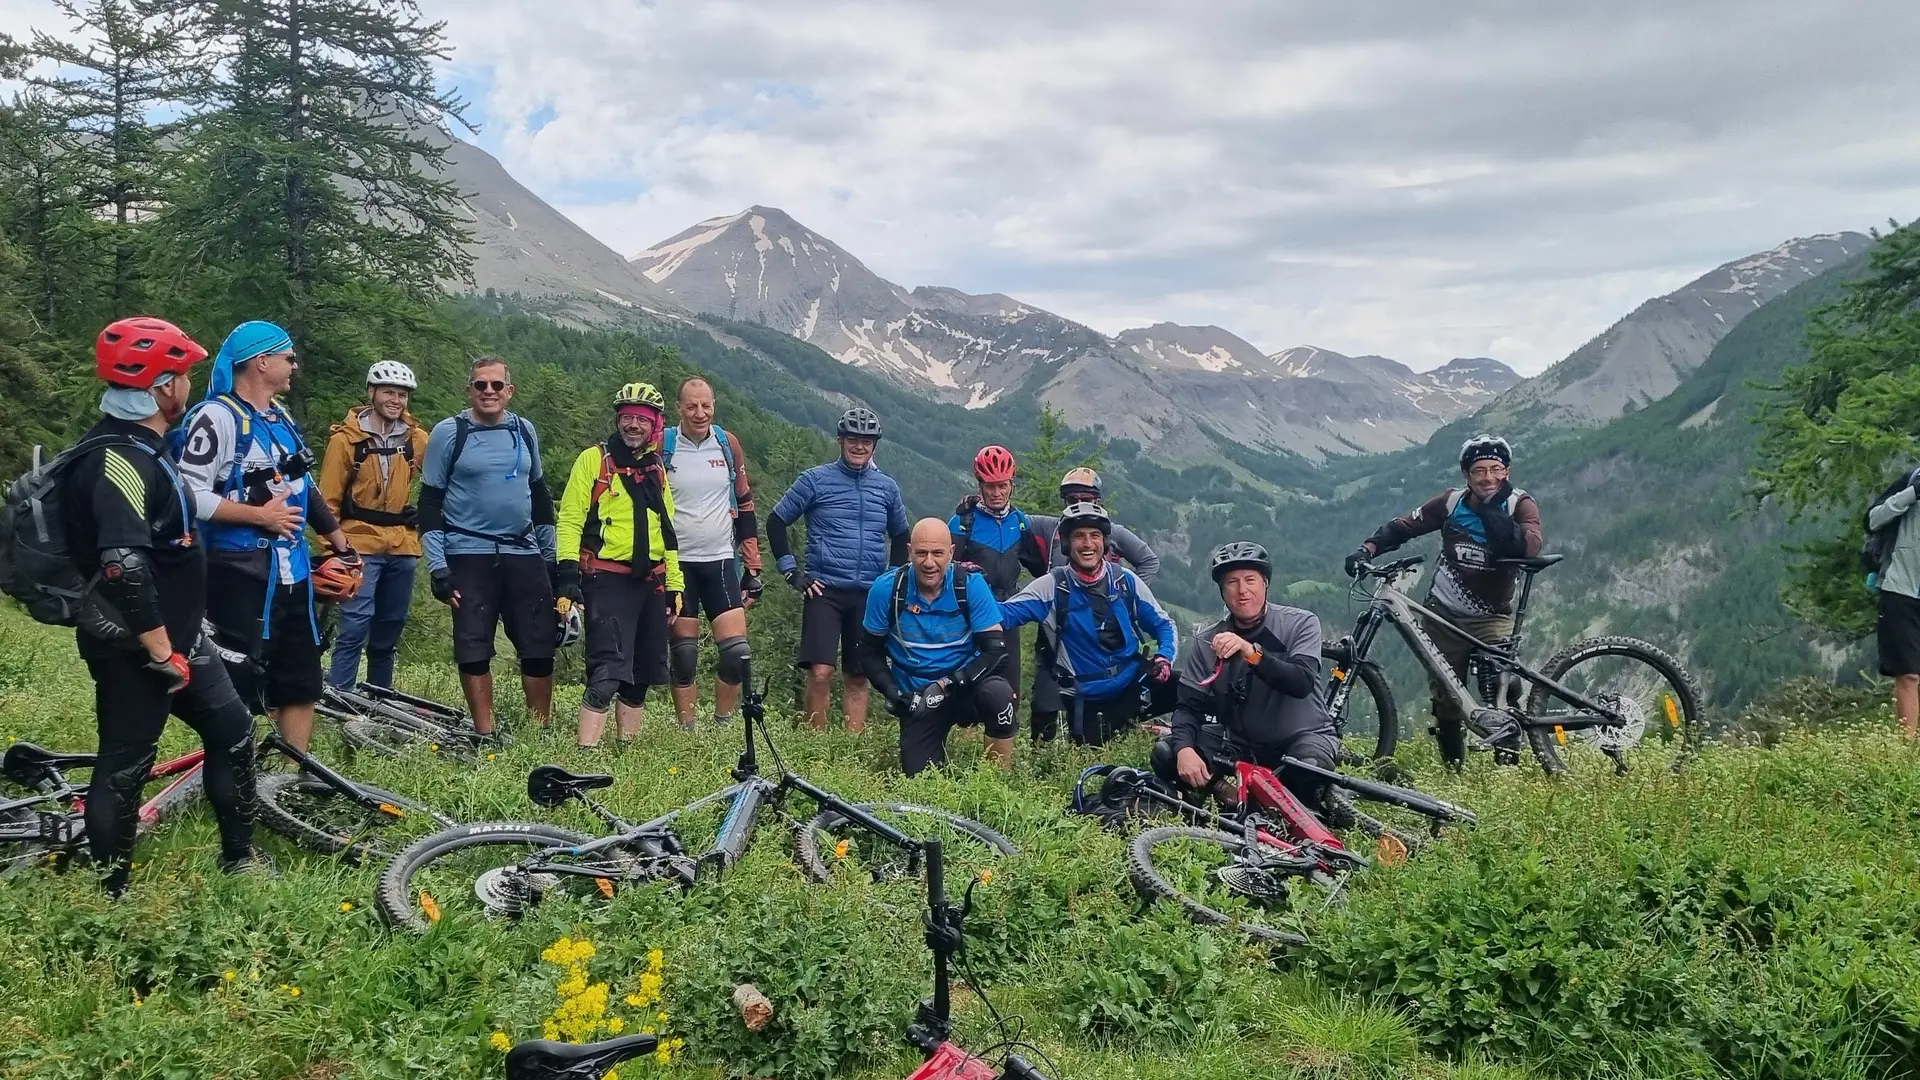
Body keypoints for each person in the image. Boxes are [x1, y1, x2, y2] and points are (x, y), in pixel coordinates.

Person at [64, 317, 268, 895]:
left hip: (178, 640)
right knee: (125, 764)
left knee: (232, 730)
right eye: (181, 376)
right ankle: (111, 895)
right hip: (137, 646)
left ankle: (239, 859)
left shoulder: (145, 450)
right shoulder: (116, 461)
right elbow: (122, 563)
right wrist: (159, 647)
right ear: (160, 387)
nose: (188, 386)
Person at [175, 320, 353, 753]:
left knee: (300, 681)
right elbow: (185, 493)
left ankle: (293, 780)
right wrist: (258, 517)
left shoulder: (279, 418)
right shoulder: (216, 418)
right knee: (236, 682)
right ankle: (231, 773)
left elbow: (303, 489)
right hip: (237, 575)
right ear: (261, 361)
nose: (295, 365)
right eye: (288, 358)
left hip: (292, 577)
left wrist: (340, 542)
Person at [1343, 433, 1543, 768]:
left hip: (1492, 616)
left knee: (1502, 689)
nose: (1488, 477)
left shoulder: (1519, 504)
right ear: (1467, 475)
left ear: (1507, 471)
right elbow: (1403, 526)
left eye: (1495, 469)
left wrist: (1493, 511)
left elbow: (1529, 547)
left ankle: (1508, 770)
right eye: (1479, 470)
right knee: (1446, 698)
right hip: (1442, 615)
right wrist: (1368, 549)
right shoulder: (1451, 504)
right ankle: (1454, 769)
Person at [418, 357, 559, 737]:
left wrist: (552, 561)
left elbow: (540, 496)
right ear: (470, 391)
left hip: (523, 550)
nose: (489, 392)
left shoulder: (524, 431)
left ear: (509, 391)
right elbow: (430, 503)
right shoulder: (450, 433)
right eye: (481, 385)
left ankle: (538, 730)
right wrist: (437, 566)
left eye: (497, 385)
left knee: (538, 642)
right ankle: (485, 732)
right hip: (468, 551)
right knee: (473, 644)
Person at [1151, 542, 1341, 809]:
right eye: (1232, 582)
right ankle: (1229, 794)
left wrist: (1250, 653)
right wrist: (1185, 750)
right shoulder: (1208, 641)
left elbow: (1301, 682)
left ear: (1265, 584)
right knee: (1167, 753)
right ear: (1222, 592)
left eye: (1250, 580)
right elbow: (1188, 706)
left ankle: (1276, 803)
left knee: (1307, 771)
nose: (1242, 591)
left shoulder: (1301, 623)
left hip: (1303, 736)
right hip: (1241, 743)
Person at [555, 382, 684, 747]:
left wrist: (676, 585)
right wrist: (566, 577)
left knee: (640, 673)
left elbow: (668, 530)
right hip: (606, 578)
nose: (632, 425)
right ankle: (586, 752)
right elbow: (569, 520)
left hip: (651, 582)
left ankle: (627, 751)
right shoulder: (595, 461)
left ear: (655, 424)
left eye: (641, 420)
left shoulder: (656, 468)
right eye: (626, 418)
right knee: (607, 670)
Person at [767, 406, 910, 732]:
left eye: (866, 441)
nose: (859, 447)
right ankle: (814, 745)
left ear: (874, 445)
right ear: (840, 441)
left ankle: (851, 747)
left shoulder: (886, 487)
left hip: (868, 595)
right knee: (820, 672)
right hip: (825, 590)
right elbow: (776, 520)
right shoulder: (815, 480)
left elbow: (902, 534)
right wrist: (791, 572)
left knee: (858, 676)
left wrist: (891, 579)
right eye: (852, 440)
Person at [998, 502, 1178, 746]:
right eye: (1079, 536)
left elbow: (1164, 625)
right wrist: (969, 586)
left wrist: (1164, 657)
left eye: (1095, 536)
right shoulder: (1052, 586)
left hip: (1135, 686)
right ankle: (1145, 733)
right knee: (1100, 761)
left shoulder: (1125, 581)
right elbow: (1003, 616)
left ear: (1104, 542)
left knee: (1192, 689)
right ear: (1067, 543)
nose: (1087, 544)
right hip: (1090, 700)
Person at [858, 518, 1014, 775]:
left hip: (965, 684)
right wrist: (892, 691)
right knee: (920, 780)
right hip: (918, 697)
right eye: (921, 553)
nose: (929, 562)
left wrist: (947, 684)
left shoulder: (970, 585)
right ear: (909, 551)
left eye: (938, 553)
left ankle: (997, 783)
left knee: (998, 695)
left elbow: (996, 651)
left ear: (951, 553)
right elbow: (868, 650)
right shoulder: (887, 590)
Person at [1024, 466, 1160, 742]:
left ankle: (1106, 741)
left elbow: (1149, 560)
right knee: (1045, 701)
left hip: (1097, 626)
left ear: (1097, 500)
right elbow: (1012, 518)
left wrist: (1125, 594)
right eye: (1071, 499)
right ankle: (1043, 757)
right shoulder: (1051, 527)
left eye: (1086, 498)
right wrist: (977, 505)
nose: (1078, 504)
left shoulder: (1112, 533)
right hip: (1058, 625)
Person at [318, 360, 429, 690]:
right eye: (389, 392)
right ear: (372, 393)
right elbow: (328, 501)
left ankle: (379, 698)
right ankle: (341, 694)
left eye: (402, 394)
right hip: (357, 543)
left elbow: (443, 480)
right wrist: (331, 553)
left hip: (402, 544)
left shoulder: (416, 438)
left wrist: (426, 512)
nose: (396, 400)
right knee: (354, 625)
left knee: (390, 627)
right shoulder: (345, 441)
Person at [664, 376, 762, 728]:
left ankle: (722, 725)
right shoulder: (665, 445)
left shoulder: (726, 444)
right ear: (679, 408)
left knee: (737, 655)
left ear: (714, 406)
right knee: (685, 656)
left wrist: (752, 567)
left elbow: (745, 503)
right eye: (691, 405)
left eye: (706, 405)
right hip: (678, 564)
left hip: (720, 559)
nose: (699, 412)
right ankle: (688, 731)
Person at [950, 445, 1047, 694]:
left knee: (1010, 688)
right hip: (972, 614)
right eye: (990, 486)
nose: (997, 493)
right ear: (980, 485)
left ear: (1011, 485)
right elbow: (945, 572)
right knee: (967, 688)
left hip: (1008, 613)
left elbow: (1039, 568)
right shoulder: (963, 522)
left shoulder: (1019, 521)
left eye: (1002, 485)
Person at [1868, 465, 1920, 740]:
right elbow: (1873, 520)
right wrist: (1911, 493)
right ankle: (1907, 751)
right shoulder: (1912, 480)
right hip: (1901, 592)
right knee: (1908, 675)